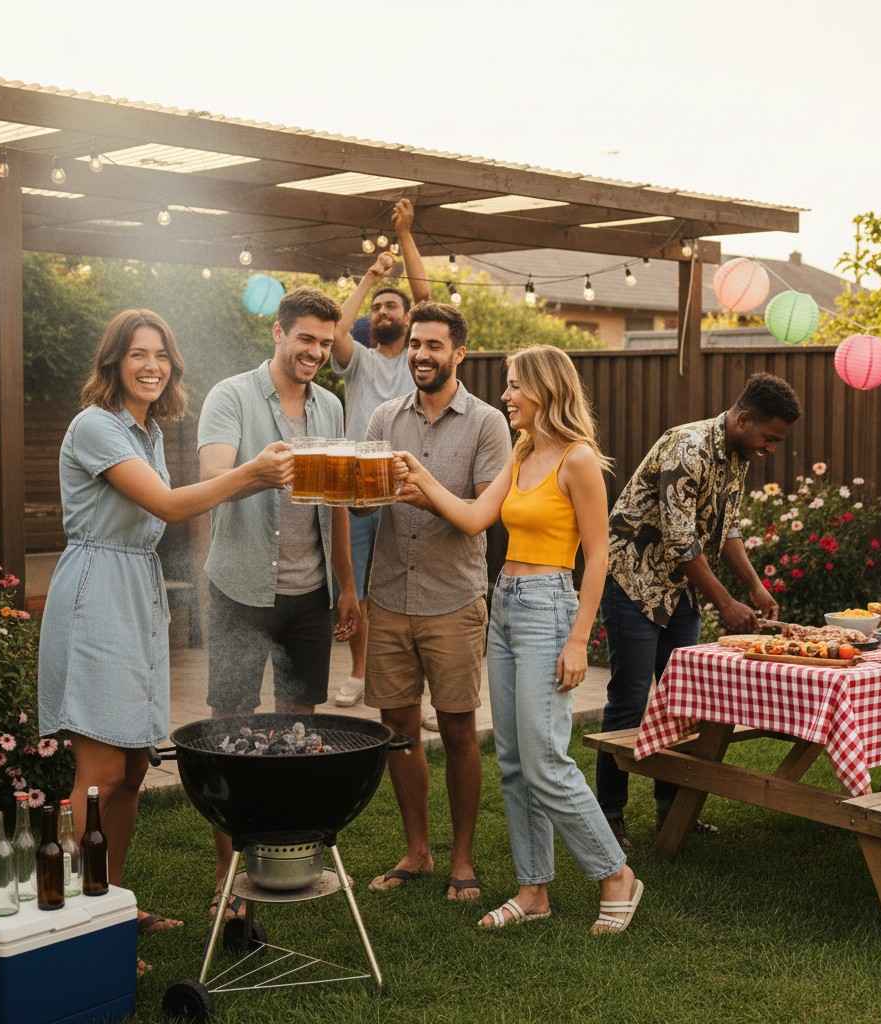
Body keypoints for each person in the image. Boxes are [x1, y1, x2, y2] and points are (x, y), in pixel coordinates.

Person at [37, 309, 293, 972]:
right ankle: (82, 925)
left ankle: (112, 901)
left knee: (129, 771)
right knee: (98, 773)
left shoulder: (146, 430)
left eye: (161, 355)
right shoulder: (96, 426)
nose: (151, 366)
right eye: (137, 354)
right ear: (113, 362)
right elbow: (170, 506)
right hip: (98, 594)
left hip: (135, 593)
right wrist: (252, 474)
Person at [396, 345, 644, 935]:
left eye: (514, 386)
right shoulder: (525, 449)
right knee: (512, 761)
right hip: (506, 604)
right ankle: (533, 890)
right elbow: (474, 517)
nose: (505, 396)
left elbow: (599, 557)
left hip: (549, 608)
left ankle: (616, 874)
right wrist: (420, 477)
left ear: (543, 389)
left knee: (545, 759)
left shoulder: (579, 460)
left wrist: (579, 641)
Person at [197, 287, 360, 919]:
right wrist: (258, 472)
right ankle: (227, 872)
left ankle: (289, 854)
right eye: (306, 339)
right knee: (229, 729)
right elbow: (212, 480)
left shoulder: (330, 407)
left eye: (326, 342)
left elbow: (336, 503)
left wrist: (347, 587)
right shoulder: (231, 396)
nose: (316, 352)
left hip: (309, 594)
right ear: (278, 333)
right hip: (238, 588)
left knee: (299, 728)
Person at [596, 372, 801, 848]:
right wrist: (725, 603)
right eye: (769, 437)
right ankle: (609, 815)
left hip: (679, 589)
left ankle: (673, 811)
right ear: (743, 419)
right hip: (634, 582)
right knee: (630, 699)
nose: (771, 448)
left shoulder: (737, 456)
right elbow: (680, 540)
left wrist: (755, 588)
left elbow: (726, 531)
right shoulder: (686, 448)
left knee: (683, 700)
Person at [364, 301, 511, 903]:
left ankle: (464, 858)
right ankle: (417, 850)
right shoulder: (383, 417)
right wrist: (353, 492)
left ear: (459, 354)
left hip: (452, 599)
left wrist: (425, 493)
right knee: (398, 729)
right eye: (415, 345)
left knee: (457, 729)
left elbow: (483, 514)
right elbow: (364, 499)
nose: (421, 355)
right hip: (389, 596)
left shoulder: (487, 424)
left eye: (433, 345)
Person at [328, 199, 431, 711]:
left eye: (393, 306)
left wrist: (406, 236)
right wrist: (371, 277)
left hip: (409, 485)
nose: (384, 312)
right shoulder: (360, 362)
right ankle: (359, 671)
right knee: (356, 584)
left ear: (408, 319)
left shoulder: (419, 360)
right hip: (358, 488)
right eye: (378, 308)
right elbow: (336, 332)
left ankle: (418, 686)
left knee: (413, 582)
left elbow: (427, 297)